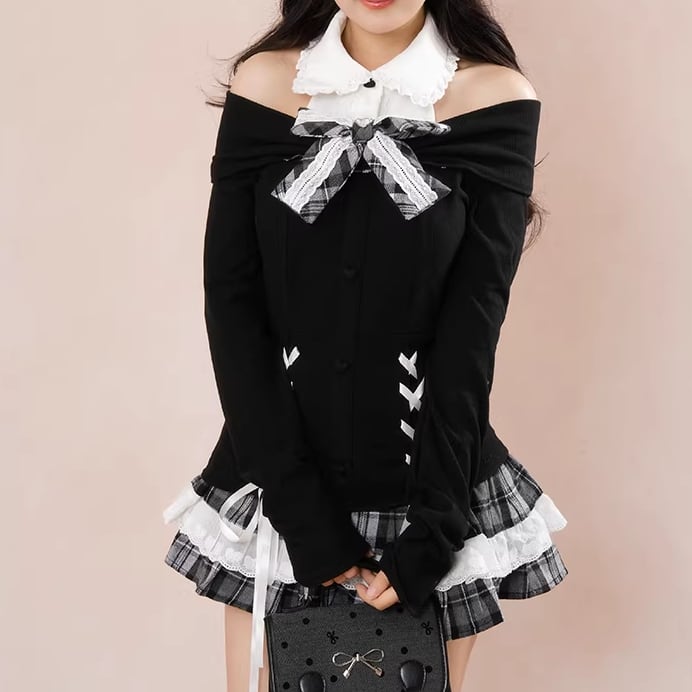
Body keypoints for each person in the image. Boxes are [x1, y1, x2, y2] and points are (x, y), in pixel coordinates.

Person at [162, 1, 569, 690]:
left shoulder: (494, 99)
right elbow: (232, 310)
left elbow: (471, 337)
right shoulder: (265, 85)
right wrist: (299, 512)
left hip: (430, 490)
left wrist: (435, 531)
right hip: (280, 489)